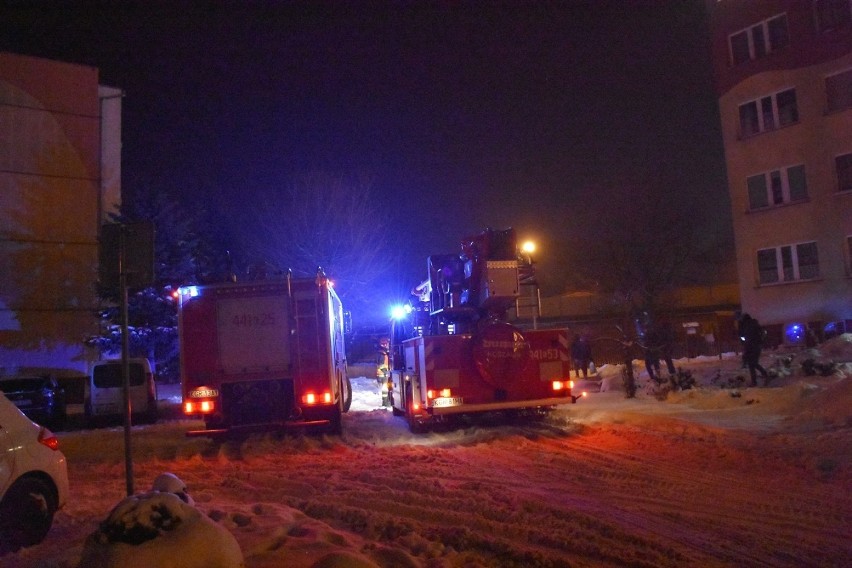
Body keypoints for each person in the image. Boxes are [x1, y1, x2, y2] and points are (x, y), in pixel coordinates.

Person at [738, 313, 769, 386]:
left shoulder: (746, 326)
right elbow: (763, 333)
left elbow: (742, 336)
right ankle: (763, 375)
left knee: (751, 364)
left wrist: (744, 340)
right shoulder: (755, 324)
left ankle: (755, 381)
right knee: (753, 363)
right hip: (757, 346)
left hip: (750, 346)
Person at [376, 336, 391, 406]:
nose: (385, 345)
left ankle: (386, 402)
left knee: (386, 388)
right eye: (384, 344)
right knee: (385, 389)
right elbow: (380, 365)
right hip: (383, 374)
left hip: (383, 374)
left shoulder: (383, 353)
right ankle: (385, 402)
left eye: (386, 344)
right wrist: (386, 372)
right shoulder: (382, 354)